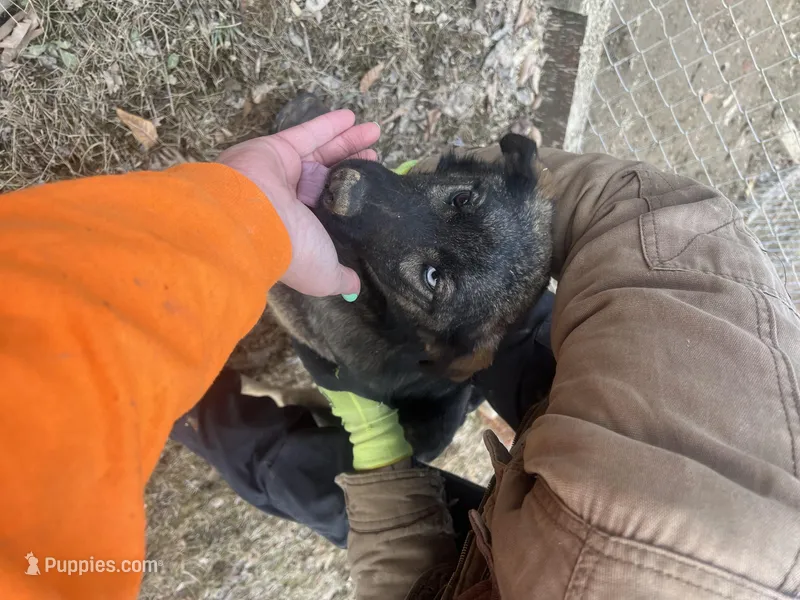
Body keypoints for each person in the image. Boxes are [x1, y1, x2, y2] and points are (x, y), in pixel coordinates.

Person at [1, 106, 799, 600]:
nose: (360, 189)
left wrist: (384, 464)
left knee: (327, 476)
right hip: (627, 458)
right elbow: (645, 219)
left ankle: (196, 410)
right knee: (507, 315)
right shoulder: (710, 427)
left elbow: (408, 582)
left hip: (478, 571)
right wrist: (495, 195)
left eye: (432, 273)